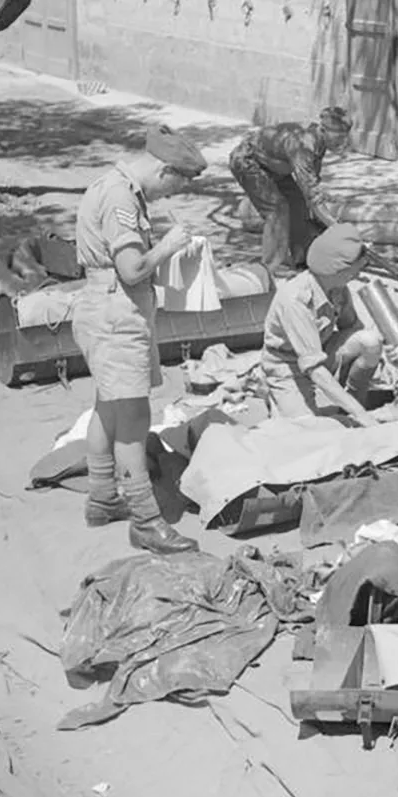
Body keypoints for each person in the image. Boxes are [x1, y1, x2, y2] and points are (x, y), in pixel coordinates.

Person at [72, 122, 208, 555]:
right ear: (166, 170)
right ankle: (147, 522)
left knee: (109, 409)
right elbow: (131, 269)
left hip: (105, 310)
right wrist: (168, 246)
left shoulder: (116, 188)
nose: (168, 196)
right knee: (133, 420)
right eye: (174, 186)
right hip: (116, 316)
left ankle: (102, 498)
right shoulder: (120, 198)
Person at [259, 223, 384, 424]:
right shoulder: (295, 300)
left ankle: (353, 398)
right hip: (288, 368)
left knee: (370, 341)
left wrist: (387, 355)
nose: (359, 274)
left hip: (321, 353)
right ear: (337, 269)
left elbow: (353, 329)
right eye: (356, 269)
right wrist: (362, 415)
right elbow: (314, 368)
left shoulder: (337, 287)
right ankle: (275, 396)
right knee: (307, 427)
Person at [229, 105, 353, 274]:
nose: (343, 142)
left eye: (345, 136)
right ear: (324, 130)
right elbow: (313, 194)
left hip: (274, 167)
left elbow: (311, 183)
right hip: (248, 161)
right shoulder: (304, 145)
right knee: (277, 209)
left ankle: (302, 259)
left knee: (298, 203)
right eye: (338, 136)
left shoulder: (319, 142)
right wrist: (336, 227)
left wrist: (323, 210)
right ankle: (270, 267)